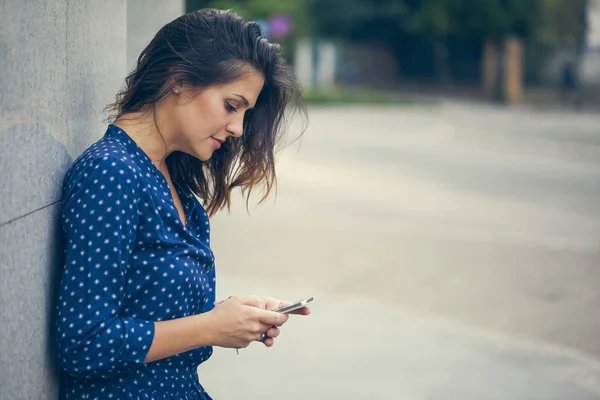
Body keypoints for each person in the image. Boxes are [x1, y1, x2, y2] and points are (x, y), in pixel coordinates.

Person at [55, 8, 309, 399]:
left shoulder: (174, 186)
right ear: (178, 80)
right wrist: (210, 327)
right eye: (231, 105)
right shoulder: (112, 172)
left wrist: (232, 316)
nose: (238, 129)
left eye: (245, 113)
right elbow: (84, 343)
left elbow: (147, 309)